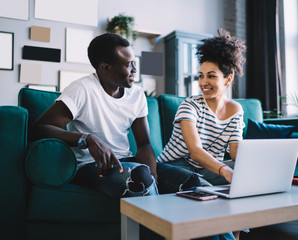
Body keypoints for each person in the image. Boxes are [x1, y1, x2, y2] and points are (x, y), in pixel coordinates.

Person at [33, 33, 204, 239]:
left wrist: (154, 176)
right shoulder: (81, 90)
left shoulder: (136, 95)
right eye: (129, 64)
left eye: (134, 63)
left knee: (191, 182)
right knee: (139, 177)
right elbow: (41, 127)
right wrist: (86, 138)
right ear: (106, 67)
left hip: (128, 163)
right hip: (91, 166)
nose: (135, 70)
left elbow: (144, 145)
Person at [156, 28, 247, 240]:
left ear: (227, 79)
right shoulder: (189, 106)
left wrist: (252, 170)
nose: (203, 82)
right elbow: (195, 151)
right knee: (206, 190)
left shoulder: (236, 110)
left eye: (211, 76)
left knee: (244, 176)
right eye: (201, 76)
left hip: (206, 168)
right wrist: (224, 170)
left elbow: (236, 153)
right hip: (174, 166)